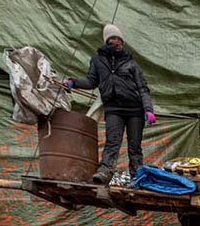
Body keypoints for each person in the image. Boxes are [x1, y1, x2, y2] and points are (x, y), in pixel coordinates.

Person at [65, 25, 156, 185]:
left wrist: (148, 109)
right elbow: (91, 81)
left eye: (119, 39)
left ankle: (137, 177)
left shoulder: (131, 63)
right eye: (113, 39)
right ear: (107, 41)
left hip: (135, 109)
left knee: (135, 146)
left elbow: (143, 88)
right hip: (114, 109)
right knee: (112, 142)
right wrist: (74, 82)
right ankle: (105, 172)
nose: (117, 41)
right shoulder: (98, 61)